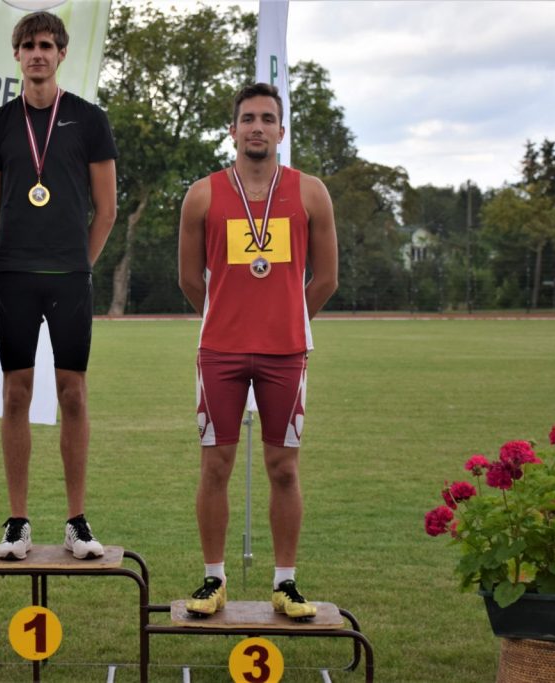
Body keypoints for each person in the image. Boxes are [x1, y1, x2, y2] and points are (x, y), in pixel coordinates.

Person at [177, 83, 338, 619]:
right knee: (215, 467)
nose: (257, 127)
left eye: (268, 119)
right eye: (248, 118)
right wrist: (228, 316)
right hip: (219, 352)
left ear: (281, 131)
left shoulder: (310, 192)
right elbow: (188, 279)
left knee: (284, 469)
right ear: (233, 130)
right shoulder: (202, 195)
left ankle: (285, 583)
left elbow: (326, 279)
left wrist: (285, 319)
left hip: (285, 354)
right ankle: (213, 579)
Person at [0, 11, 117, 561]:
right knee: (16, 392)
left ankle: (77, 521)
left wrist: (80, 264)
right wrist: (12, 259)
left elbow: (106, 209)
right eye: (29, 45)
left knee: (72, 393)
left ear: (62, 54)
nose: (38, 53)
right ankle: (17, 523)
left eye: (47, 45)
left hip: (70, 279)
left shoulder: (90, 120)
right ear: (17, 54)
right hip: (15, 276)